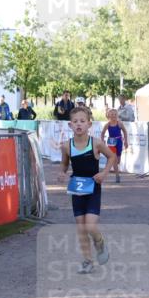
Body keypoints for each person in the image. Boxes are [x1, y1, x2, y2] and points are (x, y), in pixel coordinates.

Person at [58, 105, 117, 274]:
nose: (79, 124)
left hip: (93, 188)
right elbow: (64, 163)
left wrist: (104, 173)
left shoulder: (96, 143)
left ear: (89, 124)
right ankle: (87, 260)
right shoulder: (66, 146)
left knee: (90, 226)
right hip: (76, 189)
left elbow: (112, 156)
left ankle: (100, 243)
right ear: (70, 125)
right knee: (81, 227)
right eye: (75, 121)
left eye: (82, 121)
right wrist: (62, 172)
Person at [100, 108, 128, 184]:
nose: (113, 116)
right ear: (109, 115)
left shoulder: (119, 123)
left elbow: (125, 132)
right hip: (111, 142)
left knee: (118, 160)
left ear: (117, 115)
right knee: (114, 159)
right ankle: (117, 176)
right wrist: (102, 141)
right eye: (112, 115)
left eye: (115, 114)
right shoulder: (108, 124)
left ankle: (114, 168)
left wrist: (126, 141)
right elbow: (102, 133)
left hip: (119, 141)